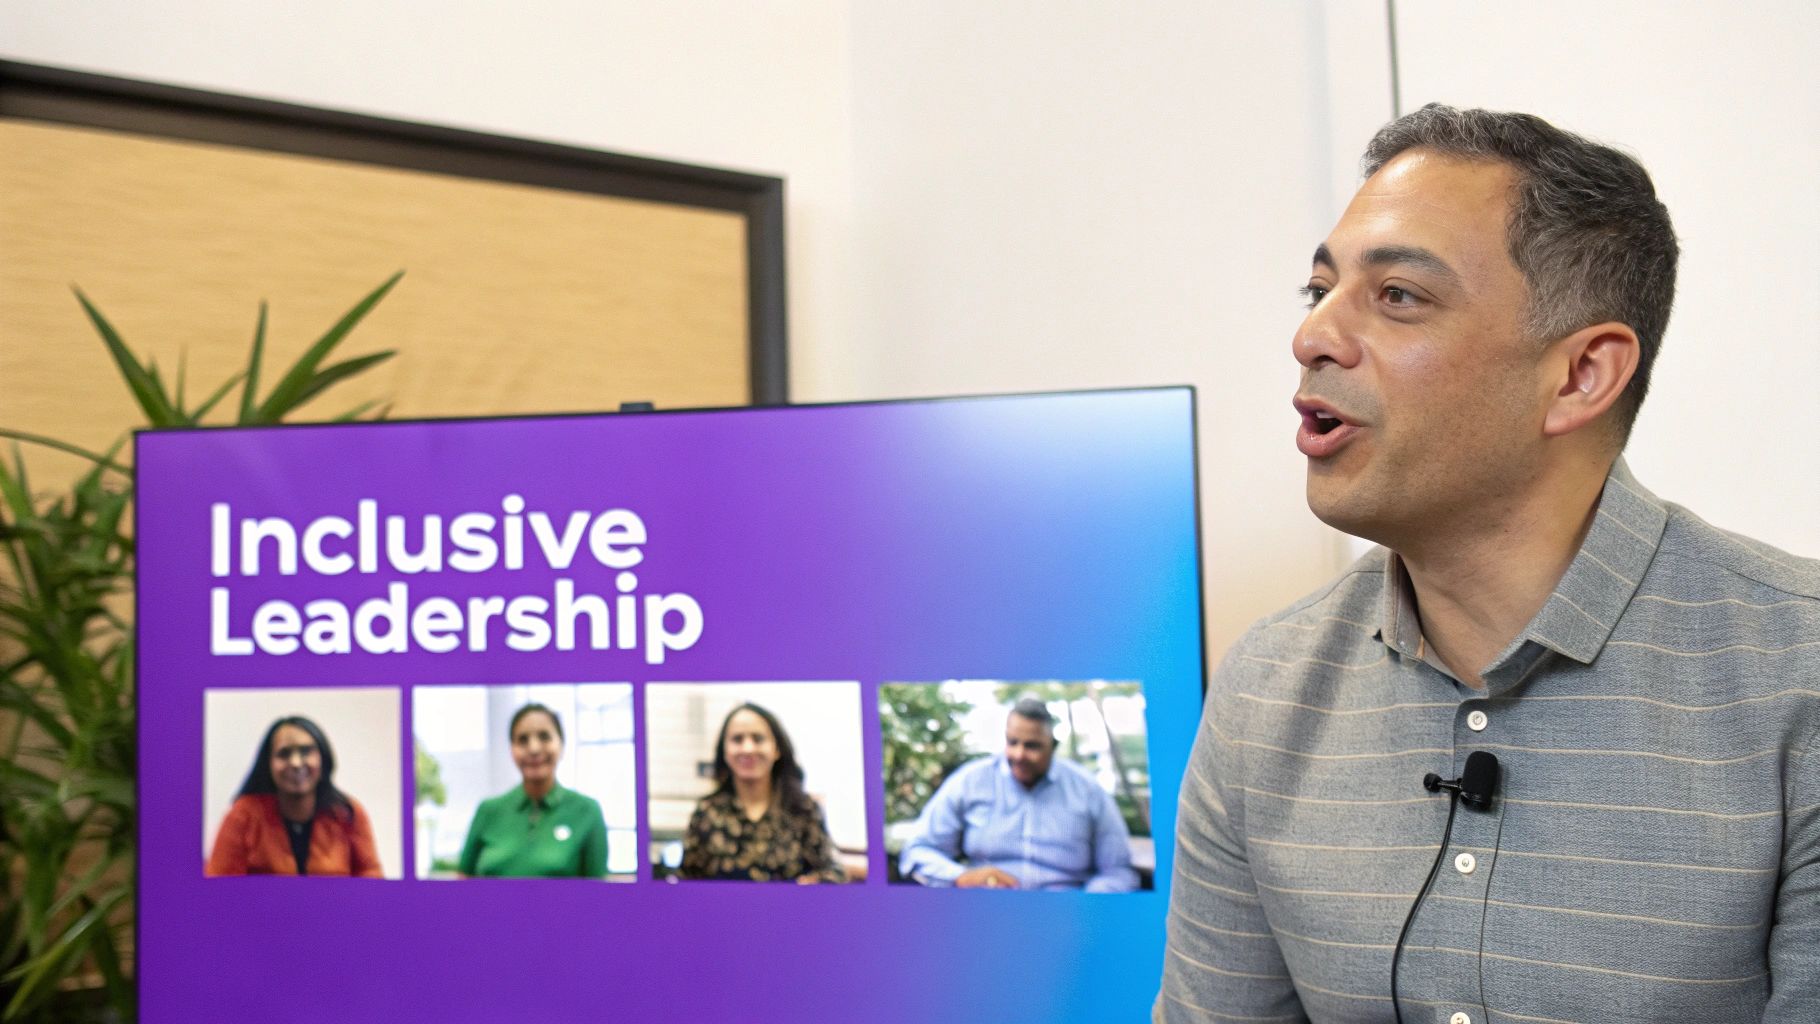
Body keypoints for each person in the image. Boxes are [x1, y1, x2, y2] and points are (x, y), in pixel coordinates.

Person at [1157, 104, 1817, 1023]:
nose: (1313, 338)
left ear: (1582, 375)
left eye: (1397, 297)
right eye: (1320, 291)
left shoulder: (1801, 677)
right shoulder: (1267, 690)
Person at [900, 697, 1138, 892]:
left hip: (1064, 918)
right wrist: (961, 876)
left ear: (1053, 746)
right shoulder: (970, 781)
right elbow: (918, 850)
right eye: (1012, 742)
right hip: (985, 914)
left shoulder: (1088, 790)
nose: (1018, 754)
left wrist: (1086, 907)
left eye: (1032, 746)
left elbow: (1118, 872)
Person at [678, 702, 847, 883]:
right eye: (737, 739)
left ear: (777, 749)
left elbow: (835, 872)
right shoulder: (706, 812)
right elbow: (685, 882)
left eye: (758, 739)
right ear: (725, 752)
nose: (748, 748)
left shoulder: (803, 809)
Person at [206, 715, 383, 877]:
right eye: (284, 754)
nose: (296, 763)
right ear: (268, 764)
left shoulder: (349, 813)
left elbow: (372, 882)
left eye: (306, 751)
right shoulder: (243, 815)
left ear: (323, 758)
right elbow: (219, 888)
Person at [458, 703, 608, 878]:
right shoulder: (487, 811)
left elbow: (598, 898)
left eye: (545, 737)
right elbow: (462, 887)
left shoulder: (588, 811)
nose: (534, 748)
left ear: (562, 746)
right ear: (511, 749)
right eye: (522, 740)